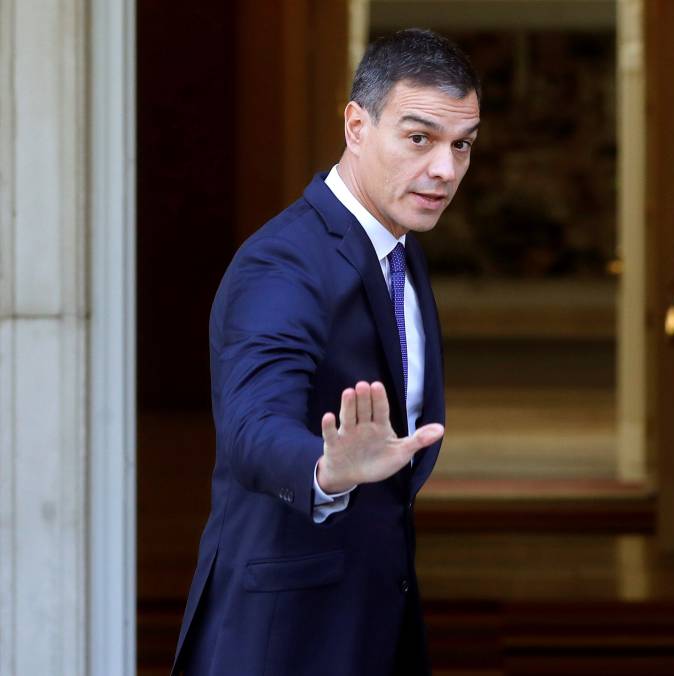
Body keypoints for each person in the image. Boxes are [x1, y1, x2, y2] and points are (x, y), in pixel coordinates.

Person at [172, 29, 480, 675]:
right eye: (419, 138)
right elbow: (252, 427)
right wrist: (325, 468)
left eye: (462, 146)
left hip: (373, 623)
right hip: (282, 641)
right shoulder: (283, 262)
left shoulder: (399, 246)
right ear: (357, 126)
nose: (445, 169)